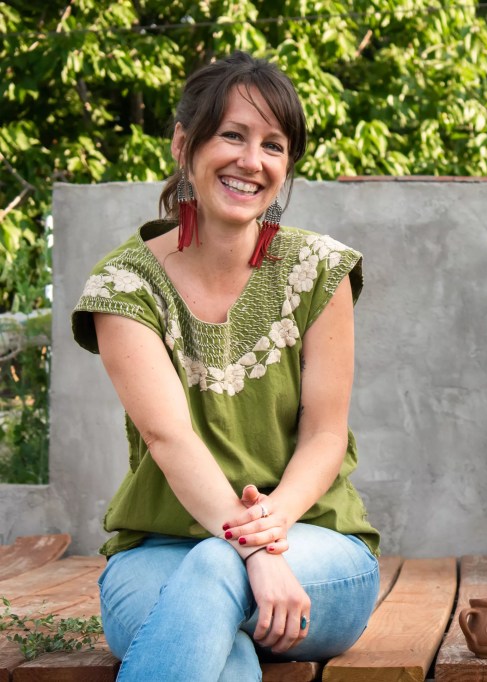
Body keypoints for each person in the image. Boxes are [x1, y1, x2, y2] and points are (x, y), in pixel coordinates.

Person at [71, 51, 380, 681]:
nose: (252, 160)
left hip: (314, 550)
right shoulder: (125, 284)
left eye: (273, 145)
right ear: (184, 144)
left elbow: (325, 434)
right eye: (232, 135)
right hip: (159, 556)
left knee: (215, 568)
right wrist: (255, 554)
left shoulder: (320, 270)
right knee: (216, 625)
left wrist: (268, 533)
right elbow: (169, 437)